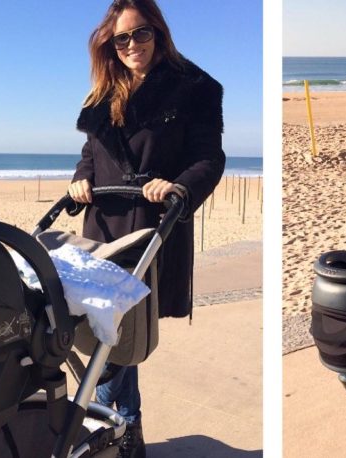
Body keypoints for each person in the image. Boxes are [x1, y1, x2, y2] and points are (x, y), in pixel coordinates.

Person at [68, 1, 225, 456]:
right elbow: (92, 152)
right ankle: (125, 428)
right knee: (108, 329)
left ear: (158, 32)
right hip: (103, 227)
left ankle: (112, 428)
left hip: (151, 226)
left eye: (141, 33)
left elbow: (209, 158)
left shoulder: (194, 87)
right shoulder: (103, 91)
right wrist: (80, 179)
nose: (132, 44)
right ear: (110, 44)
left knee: (115, 333)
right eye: (121, 38)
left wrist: (178, 186)